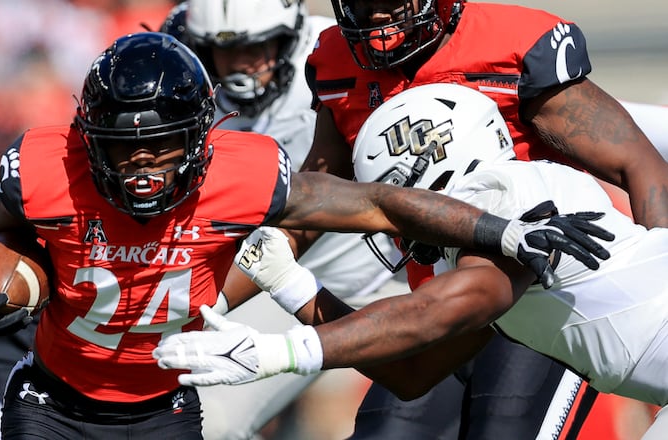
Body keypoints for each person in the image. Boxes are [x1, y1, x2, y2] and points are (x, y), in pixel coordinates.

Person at [0, 32, 609, 439]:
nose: (141, 166)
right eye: (121, 148)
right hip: (56, 400)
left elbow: (378, 204)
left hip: (163, 402)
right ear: (88, 142)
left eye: (162, 146)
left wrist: (502, 229)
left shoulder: (245, 176)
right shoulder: (49, 169)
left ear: (199, 138)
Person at [153, 83, 668, 439]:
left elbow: (445, 308)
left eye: (404, 203)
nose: (399, 225)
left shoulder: (511, 192)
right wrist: (294, 287)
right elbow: (413, 372)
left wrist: (273, 353)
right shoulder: (481, 246)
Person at [250, 1, 668, 438]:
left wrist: (276, 351)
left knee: (503, 427)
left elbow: (635, 164)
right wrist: (277, 278)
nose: (375, 15)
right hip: (452, 285)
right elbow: (409, 372)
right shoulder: (336, 60)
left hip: (538, 290)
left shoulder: (520, 193)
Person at [161, 1, 401, 438]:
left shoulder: (339, 53)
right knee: (207, 418)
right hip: (269, 278)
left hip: (382, 272)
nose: (241, 63)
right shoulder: (189, 85)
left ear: (290, 35)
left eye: (259, 44)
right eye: (223, 49)